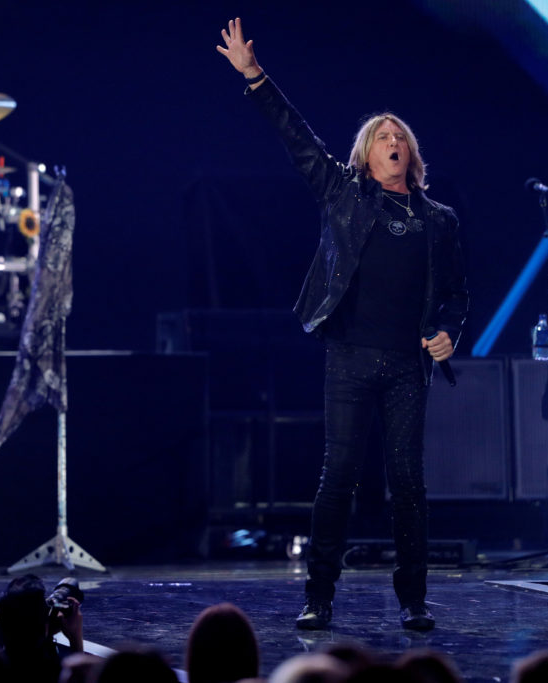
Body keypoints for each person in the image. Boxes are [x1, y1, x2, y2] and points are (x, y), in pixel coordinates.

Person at [217, 17, 468, 632]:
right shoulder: (343, 194)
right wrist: (255, 75)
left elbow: (456, 295)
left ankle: (413, 600)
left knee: (408, 484)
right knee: (339, 479)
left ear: (410, 154)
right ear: (366, 153)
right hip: (351, 357)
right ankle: (319, 596)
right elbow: (297, 136)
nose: (393, 141)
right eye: (382, 136)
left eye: (400, 136)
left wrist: (449, 332)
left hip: (407, 366)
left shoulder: (440, 220)